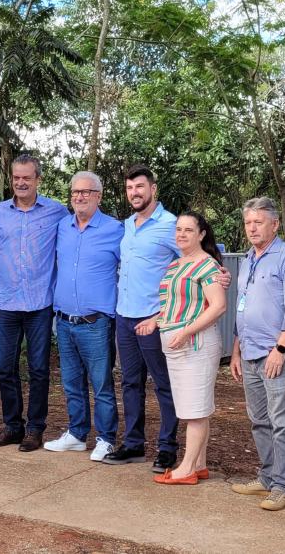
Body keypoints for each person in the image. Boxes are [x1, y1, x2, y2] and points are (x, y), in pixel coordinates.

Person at [0, 155, 68, 451]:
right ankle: (13, 426)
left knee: (39, 369)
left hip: (41, 304)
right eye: (16, 177)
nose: (20, 183)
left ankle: (35, 429)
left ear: (38, 179)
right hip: (6, 304)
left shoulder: (56, 212)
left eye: (26, 178)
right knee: (5, 367)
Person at [230, 197, 285, 511]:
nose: (252, 228)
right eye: (248, 222)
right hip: (248, 353)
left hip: (276, 354)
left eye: (258, 222)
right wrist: (235, 349)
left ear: (274, 224)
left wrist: (280, 348)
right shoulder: (248, 259)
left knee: (281, 422)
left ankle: (282, 486)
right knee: (258, 420)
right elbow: (242, 306)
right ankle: (265, 477)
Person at [102, 164, 182, 471]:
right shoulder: (127, 225)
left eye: (139, 187)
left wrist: (218, 273)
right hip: (125, 316)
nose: (134, 193)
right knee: (130, 383)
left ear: (153, 189)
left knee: (163, 384)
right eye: (129, 188)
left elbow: (196, 256)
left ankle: (167, 448)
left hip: (153, 318)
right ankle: (133, 444)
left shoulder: (170, 224)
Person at [43, 171, 123, 462]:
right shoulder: (62, 226)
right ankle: (77, 434)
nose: (79, 196)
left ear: (98, 196)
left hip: (96, 322)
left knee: (101, 384)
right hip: (64, 321)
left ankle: (106, 439)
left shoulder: (116, 229)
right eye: (75, 192)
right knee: (71, 382)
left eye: (86, 192)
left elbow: (140, 261)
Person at [149, 212, 227, 485]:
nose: (181, 234)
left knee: (195, 409)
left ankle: (186, 469)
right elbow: (172, 304)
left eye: (188, 230)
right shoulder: (176, 264)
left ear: (202, 234)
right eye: (178, 229)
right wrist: (154, 320)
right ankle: (200, 464)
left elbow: (218, 306)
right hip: (176, 345)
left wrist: (185, 331)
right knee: (191, 407)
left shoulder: (207, 265)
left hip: (196, 344)